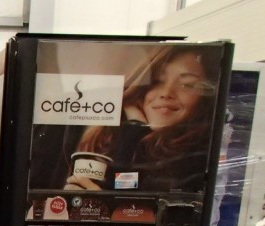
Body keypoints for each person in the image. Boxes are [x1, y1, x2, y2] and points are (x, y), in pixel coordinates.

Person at [65, 46, 221, 193]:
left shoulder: (196, 162)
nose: (166, 93)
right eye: (158, 81)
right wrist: (134, 127)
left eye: (186, 85)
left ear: (205, 99)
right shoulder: (110, 136)